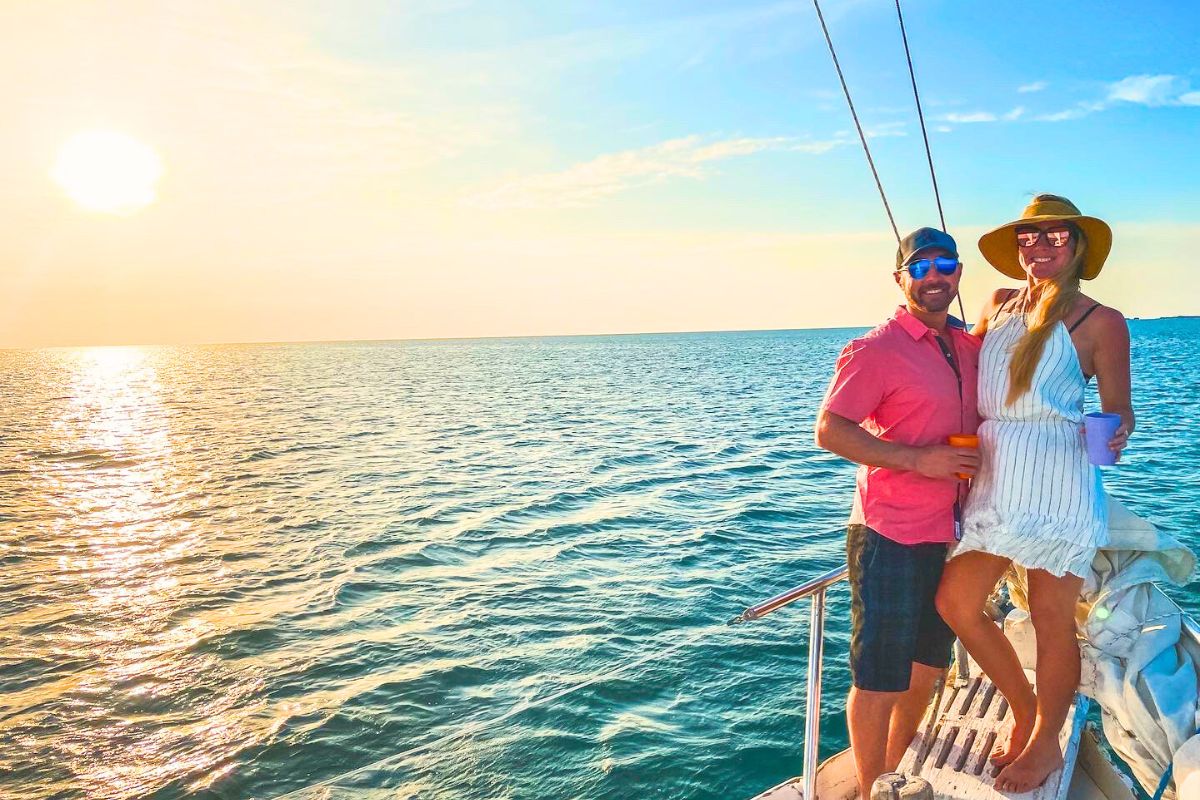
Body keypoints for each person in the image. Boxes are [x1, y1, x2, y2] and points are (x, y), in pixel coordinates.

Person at [935, 195, 1133, 793]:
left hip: (1057, 481)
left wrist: (1117, 433)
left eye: (1053, 237)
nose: (1038, 247)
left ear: (1076, 246)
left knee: (1051, 620)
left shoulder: (1101, 321)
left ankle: (1045, 741)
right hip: (994, 476)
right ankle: (1024, 708)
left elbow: (1118, 411)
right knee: (955, 602)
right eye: (1028, 237)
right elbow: (959, 375)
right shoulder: (997, 306)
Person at [815, 227, 982, 797]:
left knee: (931, 661)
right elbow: (830, 430)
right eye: (920, 268)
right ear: (900, 279)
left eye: (945, 265)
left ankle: (895, 763)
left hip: (952, 529)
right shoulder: (876, 349)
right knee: (880, 672)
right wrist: (917, 461)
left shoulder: (967, 345)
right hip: (889, 529)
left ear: (959, 274)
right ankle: (872, 788)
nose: (934, 276)